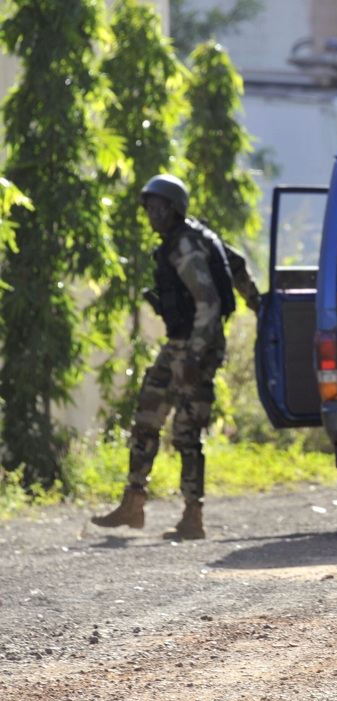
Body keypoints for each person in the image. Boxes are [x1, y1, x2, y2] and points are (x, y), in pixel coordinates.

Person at [91, 174, 262, 540]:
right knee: (146, 417)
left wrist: (195, 356)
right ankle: (133, 503)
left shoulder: (185, 244)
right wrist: (257, 302)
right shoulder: (196, 236)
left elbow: (209, 301)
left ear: (175, 210)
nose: (153, 215)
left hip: (196, 347)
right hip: (180, 345)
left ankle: (192, 516)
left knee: (186, 432)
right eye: (149, 208)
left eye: (160, 208)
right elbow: (236, 265)